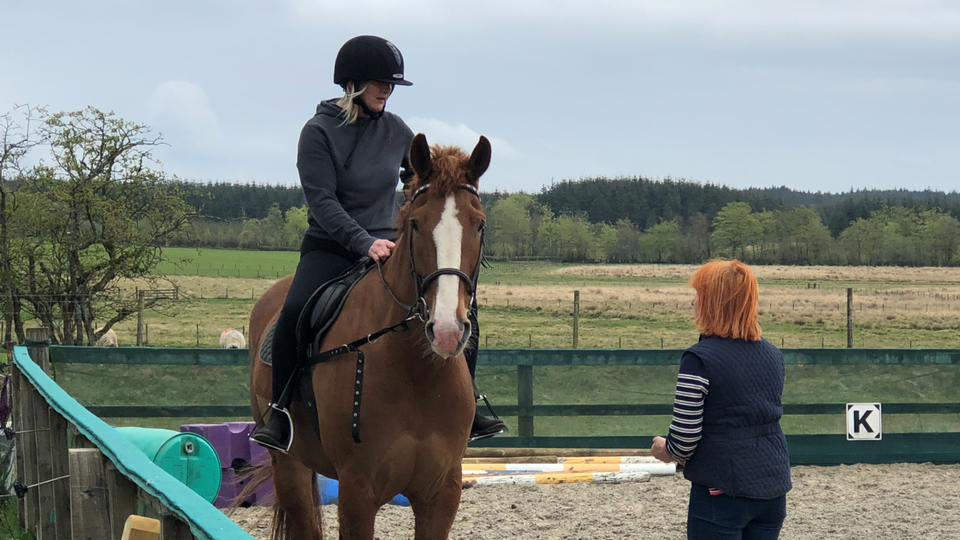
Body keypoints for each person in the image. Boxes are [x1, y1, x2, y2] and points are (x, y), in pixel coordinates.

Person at [251, 35, 505, 452]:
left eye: (390, 84)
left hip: (389, 247)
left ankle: (469, 403)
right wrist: (362, 241)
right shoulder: (317, 133)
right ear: (351, 83)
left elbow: (415, 174)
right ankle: (279, 412)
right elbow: (322, 201)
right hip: (331, 246)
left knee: (465, 310)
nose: (386, 91)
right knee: (295, 312)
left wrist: (418, 197)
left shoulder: (396, 130)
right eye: (378, 83)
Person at [650, 260, 791, 539]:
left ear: (714, 302)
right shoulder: (773, 354)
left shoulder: (699, 359)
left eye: (699, 295)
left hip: (721, 490)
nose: (693, 302)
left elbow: (685, 439)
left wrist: (665, 450)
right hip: (773, 486)